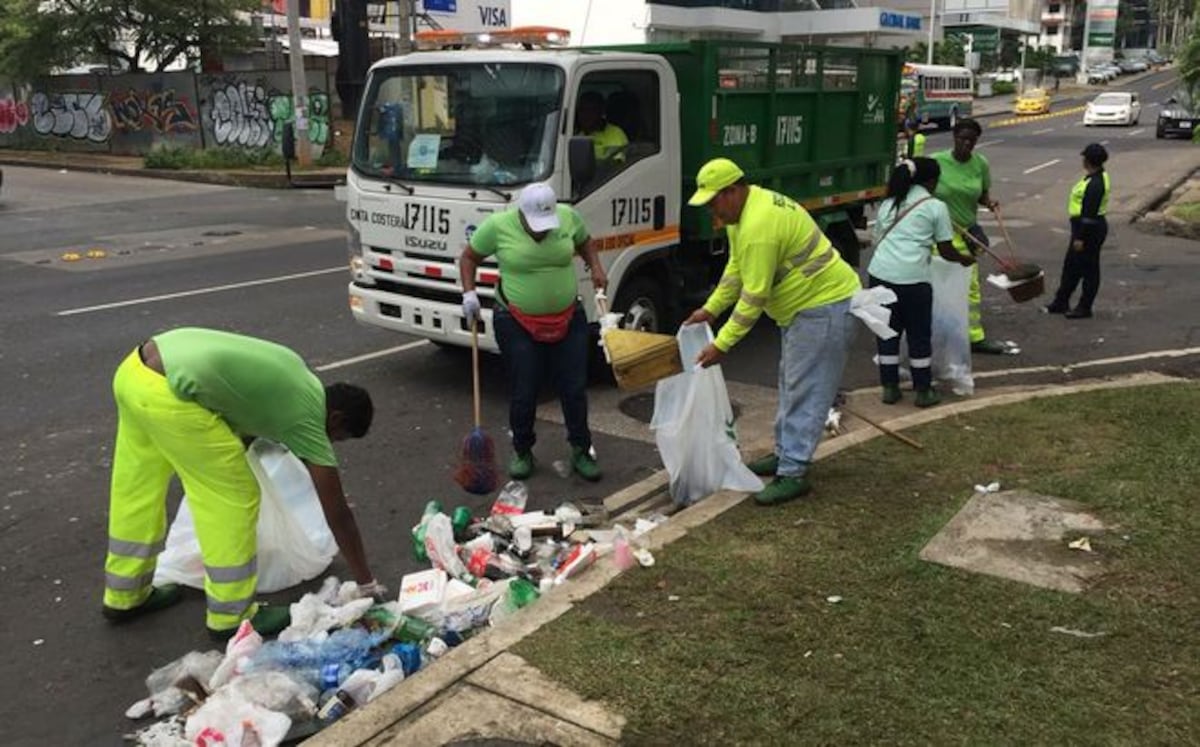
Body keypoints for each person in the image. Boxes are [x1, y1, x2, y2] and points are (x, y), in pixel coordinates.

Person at [102, 328, 382, 639]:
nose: (330, 444)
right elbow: (338, 514)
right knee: (233, 496)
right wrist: (366, 583)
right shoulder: (308, 416)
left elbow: (238, 407)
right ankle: (231, 615)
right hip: (170, 395)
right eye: (337, 438)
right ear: (337, 419)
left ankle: (124, 596)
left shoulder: (300, 380)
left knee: (138, 487)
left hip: (134, 372)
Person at [683, 158, 861, 506]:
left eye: (713, 201)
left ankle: (793, 471)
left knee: (806, 389)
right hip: (802, 309)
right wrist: (711, 309)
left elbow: (753, 297)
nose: (711, 211)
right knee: (790, 382)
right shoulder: (743, 214)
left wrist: (722, 344)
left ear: (732, 191)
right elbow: (735, 269)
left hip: (823, 307)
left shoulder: (758, 226)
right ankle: (785, 454)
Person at [459, 182, 607, 482]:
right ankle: (522, 449)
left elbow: (585, 242)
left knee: (574, 387)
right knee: (524, 388)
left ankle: (581, 448)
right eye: (535, 225)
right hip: (516, 320)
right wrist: (469, 293)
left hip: (568, 315)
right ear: (522, 214)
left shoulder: (566, 216)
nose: (542, 231)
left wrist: (596, 267)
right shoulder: (498, 226)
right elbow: (469, 257)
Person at [868, 158, 976, 407]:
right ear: (930, 181)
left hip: (879, 274)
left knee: (887, 332)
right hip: (913, 279)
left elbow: (877, 239)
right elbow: (947, 249)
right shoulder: (935, 207)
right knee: (918, 335)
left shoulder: (889, 202)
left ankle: (890, 387)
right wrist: (964, 259)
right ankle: (923, 390)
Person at [932, 118, 1008, 355]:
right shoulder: (937, 162)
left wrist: (989, 202)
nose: (966, 144)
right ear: (954, 137)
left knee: (970, 286)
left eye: (971, 140)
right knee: (938, 284)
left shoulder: (980, 164)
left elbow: (982, 193)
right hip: (939, 233)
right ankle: (936, 333)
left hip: (967, 232)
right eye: (962, 138)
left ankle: (974, 337)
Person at [1045, 143, 1111, 319]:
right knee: (1071, 266)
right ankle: (1061, 301)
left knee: (1089, 269)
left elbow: (1089, 214)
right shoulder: (1094, 177)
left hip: (1089, 229)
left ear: (1087, 160)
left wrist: (1080, 238)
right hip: (1084, 226)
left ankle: (1084, 307)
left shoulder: (1095, 184)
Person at [575, 91, 628, 162]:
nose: (586, 115)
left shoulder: (615, 134)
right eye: (582, 110)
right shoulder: (570, 133)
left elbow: (617, 166)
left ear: (601, 112)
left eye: (592, 110)